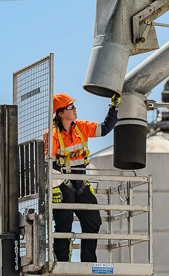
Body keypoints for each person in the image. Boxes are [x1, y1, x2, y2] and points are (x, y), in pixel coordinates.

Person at [45, 92, 119, 263]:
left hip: (81, 183)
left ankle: (88, 261)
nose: (75, 109)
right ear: (60, 113)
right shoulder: (52, 135)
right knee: (64, 224)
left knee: (93, 221)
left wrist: (114, 107)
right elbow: (48, 165)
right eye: (70, 107)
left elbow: (104, 128)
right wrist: (54, 189)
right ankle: (62, 262)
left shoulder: (81, 127)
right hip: (62, 185)